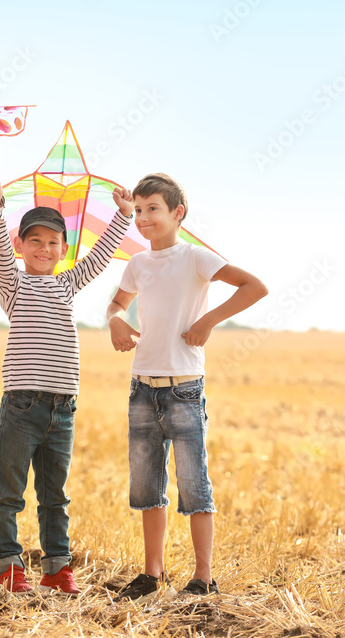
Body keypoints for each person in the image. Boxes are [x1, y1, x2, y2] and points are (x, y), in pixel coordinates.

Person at [106, 173, 268, 602]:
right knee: (147, 488)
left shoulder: (195, 257)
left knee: (194, 486)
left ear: (178, 213)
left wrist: (208, 321)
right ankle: (152, 573)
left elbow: (255, 286)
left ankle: (203, 575)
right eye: (138, 210)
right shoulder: (137, 264)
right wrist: (115, 321)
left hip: (183, 390)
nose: (143, 218)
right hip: (142, 388)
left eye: (153, 209)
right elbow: (117, 303)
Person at [0, 171, 135, 595]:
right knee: (9, 491)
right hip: (22, 405)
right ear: (22, 246)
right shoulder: (14, 285)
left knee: (56, 495)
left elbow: (101, 256)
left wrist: (123, 216)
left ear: (63, 250)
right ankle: (8, 565)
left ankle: (56, 568)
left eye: (52, 242)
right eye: (34, 240)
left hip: (63, 407)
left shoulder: (67, 283)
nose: (43, 248)